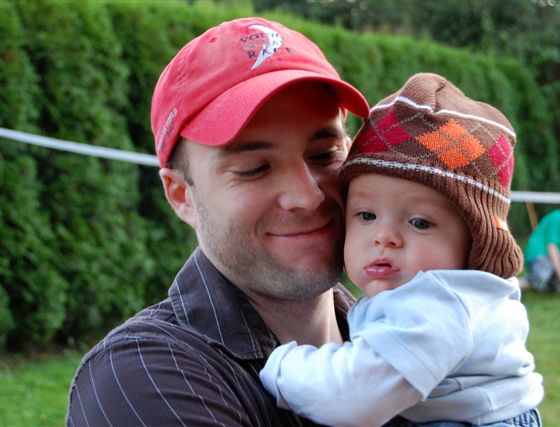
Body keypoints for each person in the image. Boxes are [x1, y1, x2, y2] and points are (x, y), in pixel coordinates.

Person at [66, 17, 370, 426]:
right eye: (253, 168)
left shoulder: (397, 328)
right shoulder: (142, 379)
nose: (307, 196)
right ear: (181, 195)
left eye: (324, 155)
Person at [260, 73, 544, 427]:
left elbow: (352, 399)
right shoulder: (450, 297)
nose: (385, 237)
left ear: (477, 241)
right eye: (366, 215)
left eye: (420, 222)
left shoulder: (436, 305)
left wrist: (281, 366)